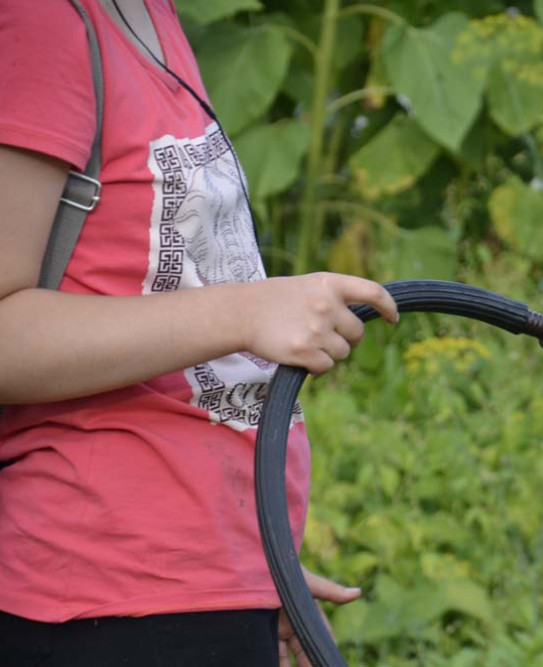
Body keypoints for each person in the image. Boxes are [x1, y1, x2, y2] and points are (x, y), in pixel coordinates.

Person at [0, 0, 397, 664]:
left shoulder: (149, 15)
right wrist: (243, 314)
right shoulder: (40, 21)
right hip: (103, 598)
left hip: (201, 585)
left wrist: (244, 564)